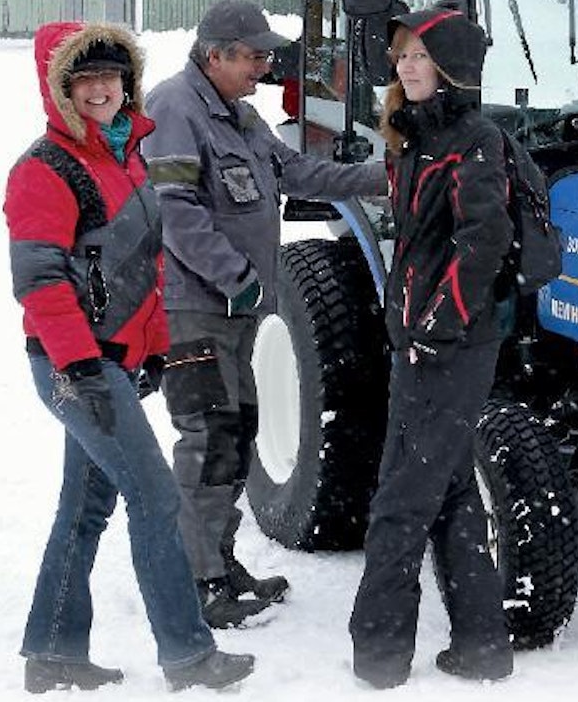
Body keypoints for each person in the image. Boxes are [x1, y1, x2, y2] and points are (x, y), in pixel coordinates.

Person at [5, 21, 255, 692]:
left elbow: (140, 271)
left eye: (111, 76)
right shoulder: (43, 170)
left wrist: (151, 351)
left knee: (86, 509)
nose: (100, 89)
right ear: (60, 88)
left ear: (128, 83)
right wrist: (82, 368)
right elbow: (43, 282)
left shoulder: (126, 159)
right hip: (71, 366)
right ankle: (189, 654)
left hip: (110, 361)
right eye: (84, 78)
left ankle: (53, 650)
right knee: (155, 499)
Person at [142, 0, 387, 628]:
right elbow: (176, 212)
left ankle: (219, 562)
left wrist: (379, 176)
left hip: (236, 310)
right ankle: (198, 582)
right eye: (253, 55)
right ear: (215, 54)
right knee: (207, 442)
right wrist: (239, 279)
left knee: (238, 434)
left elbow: (297, 171)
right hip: (196, 309)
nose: (265, 65)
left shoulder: (242, 116)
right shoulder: (174, 108)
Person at [348, 7, 514, 689]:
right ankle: (482, 644)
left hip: (448, 345)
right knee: (448, 493)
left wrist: (436, 327)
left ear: (451, 67)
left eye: (419, 56)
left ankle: (379, 656)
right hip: (423, 339)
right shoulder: (418, 138)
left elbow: (484, 242)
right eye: (401, 57)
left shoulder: (472, 140)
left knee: (400, 500)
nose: (405, 67)